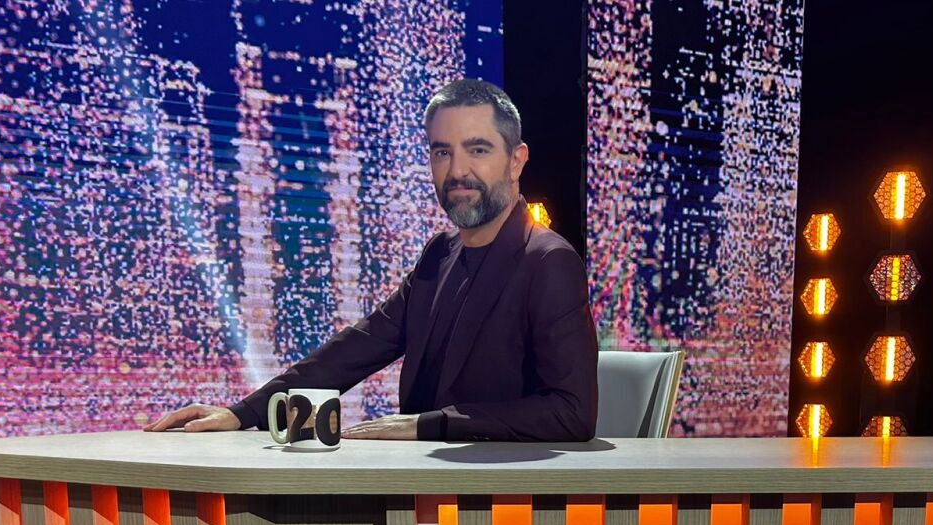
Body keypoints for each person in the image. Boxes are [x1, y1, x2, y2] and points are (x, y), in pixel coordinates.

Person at [145, 78, 597, 442]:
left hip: (500, 504)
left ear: (516, 161)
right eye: (442, 152)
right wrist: (243, 412)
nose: (458, 170)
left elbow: (572, 413)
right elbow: (357, 349)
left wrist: (433, 425)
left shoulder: (548, 261)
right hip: (418, 491)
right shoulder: (440, 254)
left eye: (477, 150)